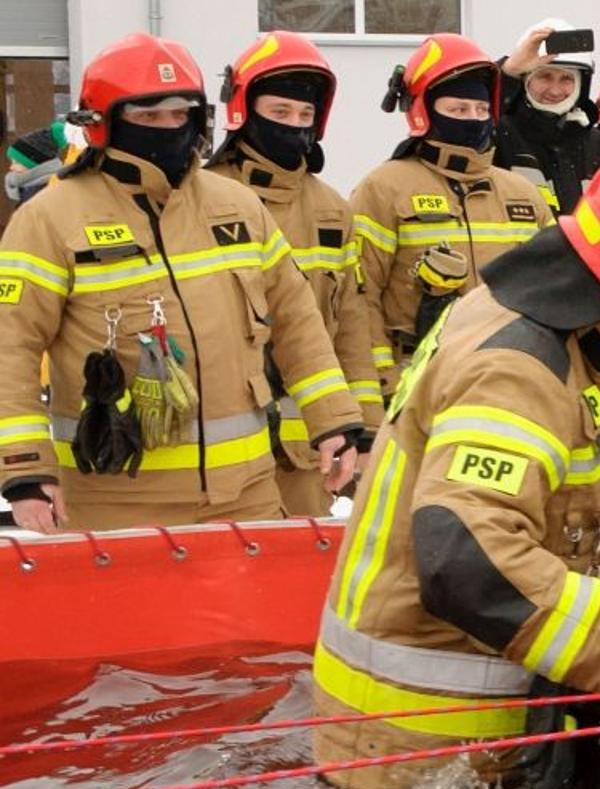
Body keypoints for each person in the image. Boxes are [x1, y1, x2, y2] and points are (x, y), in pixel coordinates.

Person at [311, 133, 600, 789]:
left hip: (482, 727)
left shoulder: (565, 334)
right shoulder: (518, 367)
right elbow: (468, 560)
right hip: (422, 747)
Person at [0, 33, 362, 532]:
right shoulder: (50, 218)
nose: (168, 129)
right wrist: (24, 470)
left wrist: (335, 422)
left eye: (180, 115)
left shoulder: (237, 207)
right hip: (115, 506)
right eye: (148, 116)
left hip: (247, 498)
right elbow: (10, 348)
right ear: (104, 122)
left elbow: (299, 323)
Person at [203, 31, 383, 517]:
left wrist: (362, 426)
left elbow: (351, 325)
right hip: (220, 450)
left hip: (310, 448)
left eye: (305, 116)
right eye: (279, 113)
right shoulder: (201, 199)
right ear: (244, 111)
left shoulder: (331, 209)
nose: (294, 127)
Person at [352, 34, 553, 386]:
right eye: (458, 110)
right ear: (424, 111)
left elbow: (554, 287)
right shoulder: (383, 189)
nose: (473, 119)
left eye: (480, 110)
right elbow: (359, 302)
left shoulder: (521, 193)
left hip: (510, 379)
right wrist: (380, 386)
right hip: (417, 383)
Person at [496, 19, 600, 216]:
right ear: (525, 79)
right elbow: (468, 120)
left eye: (566, 79)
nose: (555, 91)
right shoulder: (498, 135)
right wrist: (508, 71)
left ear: (581, 84)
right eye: (544, 77)